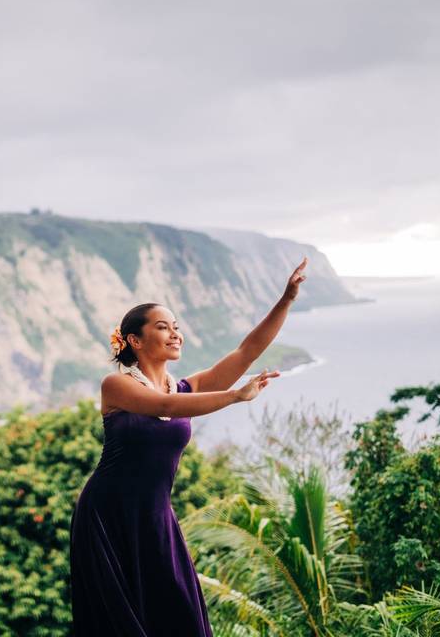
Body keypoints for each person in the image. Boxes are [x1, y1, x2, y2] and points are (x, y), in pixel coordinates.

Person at [70, 258, 308, 636]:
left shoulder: (185, 388)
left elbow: (246, 353)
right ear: (134, 340)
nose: (175, 334)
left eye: (176, 327)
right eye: (163, 327)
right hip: (108, 515)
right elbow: (165, 408)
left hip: (156, 518)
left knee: (178, 614)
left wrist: (286, 300)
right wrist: (233, 396)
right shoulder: (116, 387)